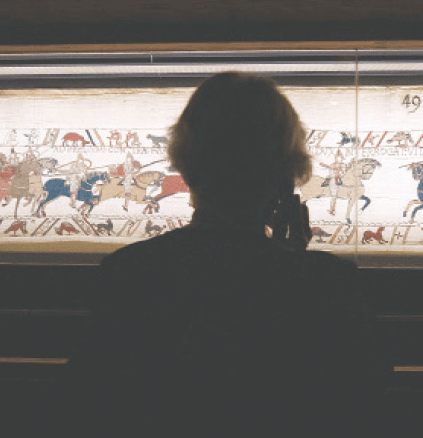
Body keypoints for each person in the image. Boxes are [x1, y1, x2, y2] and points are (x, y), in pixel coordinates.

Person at [69, 72, 383, 435]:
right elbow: (354, 398)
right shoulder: (329, 283)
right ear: (285, 173)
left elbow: (95, 398)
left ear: (187, 164)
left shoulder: (130, 271)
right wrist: (294, 263)